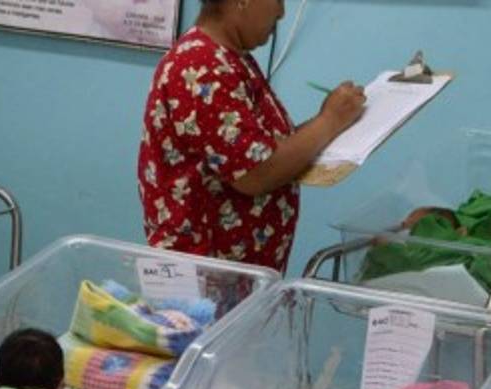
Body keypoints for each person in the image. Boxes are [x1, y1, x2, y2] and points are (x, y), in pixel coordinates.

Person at [138, 0, 366, 273]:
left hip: (237, 273)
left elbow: (266, 148)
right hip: (204, 275)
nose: (281, 13)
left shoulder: (231, 59)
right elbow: (256, 172)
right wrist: (329, 121)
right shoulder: (200, 65)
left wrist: (333, 120)